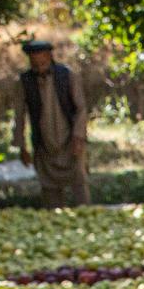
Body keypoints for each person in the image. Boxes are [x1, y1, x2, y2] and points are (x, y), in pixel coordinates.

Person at [12, 37, 89, 208]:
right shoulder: (25, 81)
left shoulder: (67, 75)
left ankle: (85, 216)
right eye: (35, 63)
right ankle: (54, 218)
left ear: (49, 56)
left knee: (79, 182)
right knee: (49, 186)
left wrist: (78, 136)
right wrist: (22, 146)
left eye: (42, 62)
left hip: (69, 138)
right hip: (44, 141)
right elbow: (19, 115)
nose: (39, 67)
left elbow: (81, 108)